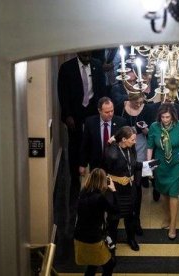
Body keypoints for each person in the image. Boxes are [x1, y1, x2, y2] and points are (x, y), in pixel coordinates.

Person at [58, 51, 108, 210]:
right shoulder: (66, 68)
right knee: (76, 142)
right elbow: (62, 94)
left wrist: (102, 110)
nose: (87, 58)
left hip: (93, 109)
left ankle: (95, 172)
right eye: (84, 56)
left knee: (94, 140)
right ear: (79, 53)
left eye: (89, 56)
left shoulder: (97, 65)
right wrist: (67, 115)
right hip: (76, 111)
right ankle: (75, 176)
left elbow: (102, 88)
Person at [146, 103, 179, 240]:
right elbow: (150, 147)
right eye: (163, 117)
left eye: (168, 117)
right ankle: (167, 216)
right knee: (164, 192)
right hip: (161, 164)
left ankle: (173, 225)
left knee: (173, 193)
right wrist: (149, 165)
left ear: (173, 116)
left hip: (177, 163)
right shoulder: (154, 126)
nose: (165, 120)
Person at [115, 92, 153, 235]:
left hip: (140, 145)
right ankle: (122, 214)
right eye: (136, 102)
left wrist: (144, 130)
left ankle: (136, 219)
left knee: (137, 185)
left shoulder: (147, 109)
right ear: (129, 99)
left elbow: (151, 131)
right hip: (124, 146)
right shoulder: (120, 107)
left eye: (141, 102)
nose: (139, 105)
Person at [103, 126, 144, 251]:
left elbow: (133, 164)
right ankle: (112, 242)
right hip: (115, 189)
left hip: (130, 189)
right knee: (114, 218)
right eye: (132, 139)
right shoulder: (112, 151)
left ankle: (131, 239)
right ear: (124, 139)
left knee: (130, 216)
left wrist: (146, 166)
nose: (135, 142)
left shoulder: (131, 149)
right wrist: (110, 144)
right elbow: (107, 165)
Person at [73, 168, 117, 276]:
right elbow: (115, 210)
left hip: (79, 237)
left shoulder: (83, 192)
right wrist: (113, 190)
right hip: (93, 239)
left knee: (92, 265)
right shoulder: (99, 198)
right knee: (110, 264)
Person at [79, 97, 127, 173]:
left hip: (115, 166)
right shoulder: (90, 122)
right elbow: (85, 144)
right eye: (107, 112)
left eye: (112, 111)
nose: (110, 114)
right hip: (96, 166)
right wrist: (83, 164)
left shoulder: (121, 122)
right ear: (99, 111)